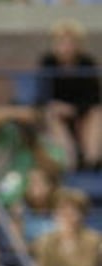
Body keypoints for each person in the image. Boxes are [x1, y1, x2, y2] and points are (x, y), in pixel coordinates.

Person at [36, 18, 102, 171]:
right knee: (52, 115)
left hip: (82, 111)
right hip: (57, 113)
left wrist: (74, 109)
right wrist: (57, 107)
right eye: (61, 42)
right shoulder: (48, 63)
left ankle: (91, 162)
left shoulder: (87, 63)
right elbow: (41, 97)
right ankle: (68, 162)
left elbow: (94, 97)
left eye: (70, 43)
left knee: (97, 114)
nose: (66, 47)